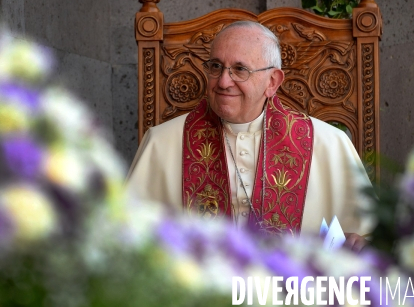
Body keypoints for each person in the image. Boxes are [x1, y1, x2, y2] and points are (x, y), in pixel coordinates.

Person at [127, 21, 372, 250]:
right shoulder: (162, 143)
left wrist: (357, 242)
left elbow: (372, 240)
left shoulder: (329, 143)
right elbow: (127, 237)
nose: (223, 82)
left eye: (240, 70)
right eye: (216, 67)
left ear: (272, 82)